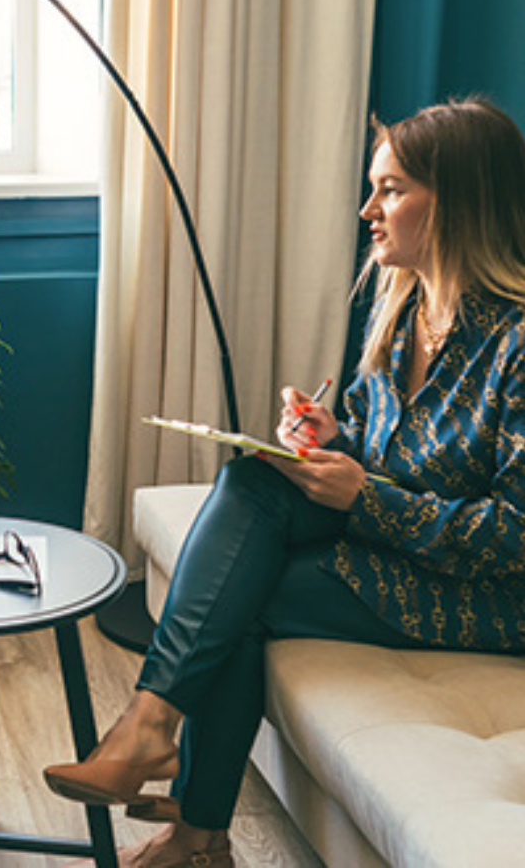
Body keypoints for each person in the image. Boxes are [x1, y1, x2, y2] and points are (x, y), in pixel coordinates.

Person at [44, 97, 525, 867]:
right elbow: (383, 447)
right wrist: (333, 441)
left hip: (489, 595)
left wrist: (368, 497)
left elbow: (516, 535)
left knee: (242, 595)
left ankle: (185, 810)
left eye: (393, 190)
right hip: (401, 544)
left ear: (459, 201)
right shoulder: (403, 313)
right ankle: (159, 754)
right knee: (254, 484)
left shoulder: (516, 343)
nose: (369, 209)